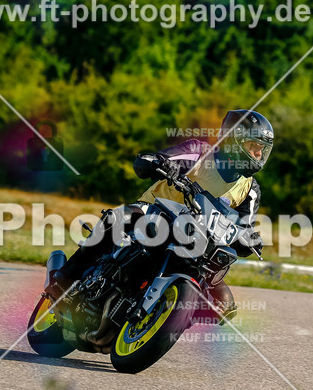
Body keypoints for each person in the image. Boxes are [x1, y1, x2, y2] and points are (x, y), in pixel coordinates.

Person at [46, 109, 272, 318]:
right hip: (154, 214)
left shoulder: (250, 190)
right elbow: (158, 159)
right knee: (118, 218)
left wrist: (250, 239)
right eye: (254, 145)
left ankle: (169, 319)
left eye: (263, 149)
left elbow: (243, 226)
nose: (258, 154)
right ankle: (64, 278)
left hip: (196, 242)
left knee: (224, 304)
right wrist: (158, 162)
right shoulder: (199, 153)